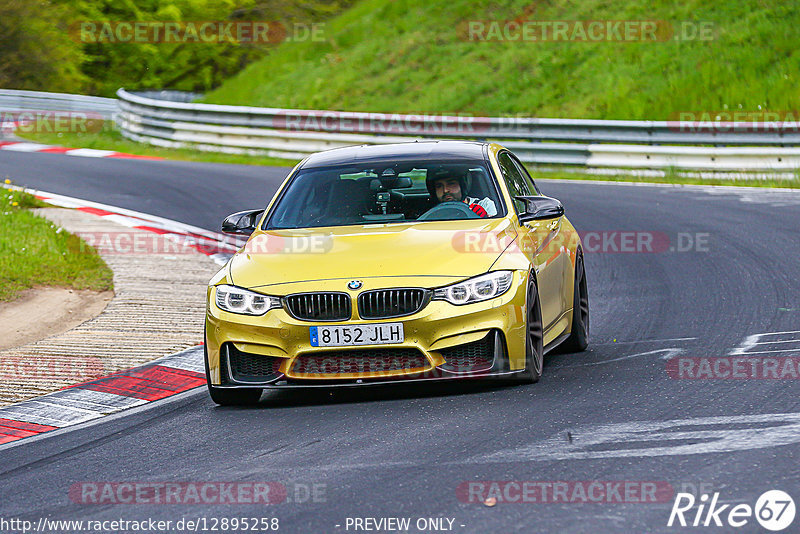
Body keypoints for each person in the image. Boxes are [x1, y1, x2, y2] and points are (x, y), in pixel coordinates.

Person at [426, 170, 497, 217]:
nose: (445, 190)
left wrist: (485, 218)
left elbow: (495, 232)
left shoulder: (485, 204)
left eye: (451, 184)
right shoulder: (429, 211)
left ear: (463, 186)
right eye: (439, 186)